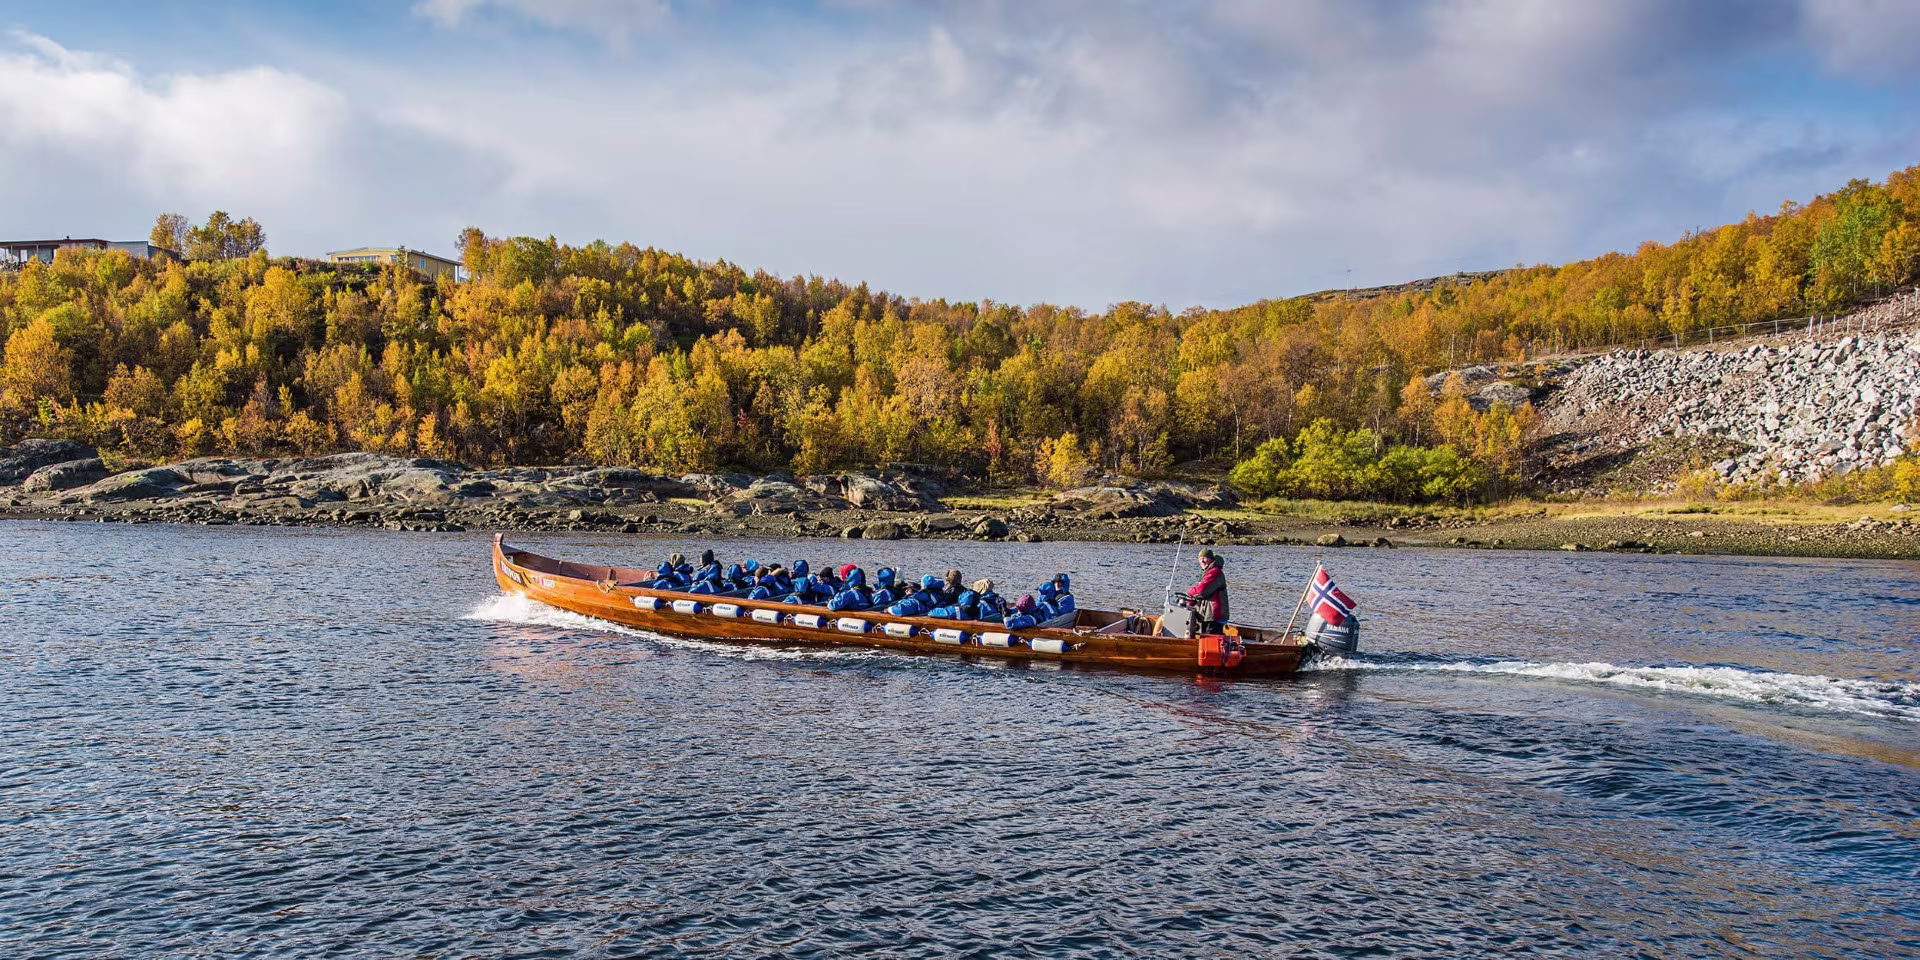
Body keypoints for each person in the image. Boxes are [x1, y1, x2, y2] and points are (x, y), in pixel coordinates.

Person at [1186, 548, 1229, 634]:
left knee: (1211, 640)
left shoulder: (1215, 572)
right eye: (1200, 558)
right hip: (1209, 615)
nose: (1202, 560)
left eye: (1204, 558)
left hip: (1214, 616)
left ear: (1211, 559)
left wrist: (1190, 591)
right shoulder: (1208, 572)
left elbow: (1201, 591)